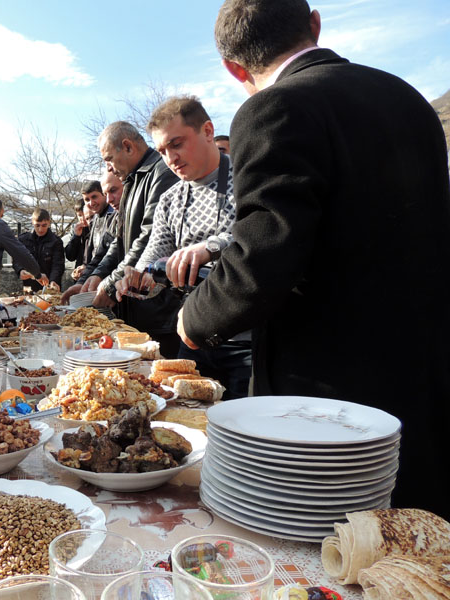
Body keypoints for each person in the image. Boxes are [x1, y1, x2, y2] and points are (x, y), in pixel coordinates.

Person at [180, 0, 450, 518]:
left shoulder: (274, 108)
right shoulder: (408, 98)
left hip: (328, 399)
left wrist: (194, 317)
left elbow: (264, 254)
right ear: (315, 24)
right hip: (422, 371)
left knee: (326, 542)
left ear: (234, 69)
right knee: (415, 533)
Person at [115, 95, 251, 399]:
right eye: (162, 151)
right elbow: (154, 255)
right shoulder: (170, 199)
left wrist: (209, 248)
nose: (170, 158)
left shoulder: (247, 179)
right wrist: (135, 279)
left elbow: (260, 233)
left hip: (247, 340)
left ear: (207, 131)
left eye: (176, 144)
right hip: (193, 333)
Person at [80, 121, 180, 357]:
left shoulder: (161, 173)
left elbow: (151, 237)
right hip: (134, 303)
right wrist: (96, 276)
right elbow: (119, 240)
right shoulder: (132, 181)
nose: (109, 167)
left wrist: (110, 283)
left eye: (109, 159)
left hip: (159, 309)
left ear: (127, 146)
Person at [61, 180, 117, 303]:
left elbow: (112, 255)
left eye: (94, 197)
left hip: (113, 285)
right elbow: (95, 257)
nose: (91, 203)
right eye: (87, 199)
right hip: (95, 282)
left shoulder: (114, 216)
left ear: (104, 194)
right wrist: (82, 281)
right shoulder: (96, 219)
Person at [14, 208, 64, 291]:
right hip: (29, 286)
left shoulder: (56, 241)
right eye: (37, 225)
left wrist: (54, 280)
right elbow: (17, 259)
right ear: (32, 222)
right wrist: (20, 270)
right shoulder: (23, 239)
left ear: (49, 223)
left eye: (44, 225)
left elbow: (58, 264)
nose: (40, 229)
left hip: (49, 285)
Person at [64, 197, 90, 269]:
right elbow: (70, 257)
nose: (83, 218)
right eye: (80, 215)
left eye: (85, 214)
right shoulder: (75, 229)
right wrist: (76, 236)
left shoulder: (97, 226)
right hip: (80, 268)